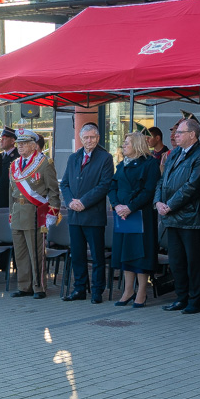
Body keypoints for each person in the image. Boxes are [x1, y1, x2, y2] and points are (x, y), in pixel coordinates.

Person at [154, 118, 200, 314]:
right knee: (176, 261)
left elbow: (192, 187)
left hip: (190, 218)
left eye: (179, 132)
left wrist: (169, 205)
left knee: (192, 262)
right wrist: (158, 202)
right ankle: (181, 298)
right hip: (171, 216)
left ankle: (195, 301)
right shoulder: (174, 153)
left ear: (192, 135)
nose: (174, 135)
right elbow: (162, 180)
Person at [59, 122, 114, 303]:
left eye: (92, 137)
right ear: (81, 139)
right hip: (74, 215)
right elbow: (64, 183)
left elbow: (104, 185)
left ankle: (97, 291)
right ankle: (79, 289)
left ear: (98, 138)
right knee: (77, 254)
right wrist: (69, 202)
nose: (89, 140)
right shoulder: (74, 157)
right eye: (85, 138)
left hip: (93, 215)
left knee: (98, 256)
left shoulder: (105, 158)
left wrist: (83, 202)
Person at [108, 132, 160, 308]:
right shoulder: (122, 164)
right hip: (122, 215)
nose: (123, 145)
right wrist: (116, 205)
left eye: (127, 142)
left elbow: (149, 190)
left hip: (140, 215)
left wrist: (130, 207)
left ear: (137, 144)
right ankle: (128, 290)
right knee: (126, 253)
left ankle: (142, 291)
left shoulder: (150, 163)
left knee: (140, 254)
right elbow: (113, 186)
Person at [9, 128, 61, 299]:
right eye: (18, 144)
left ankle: (39, 287)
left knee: (36, 253)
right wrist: (11, 213)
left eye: (24, 144)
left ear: (33, 145)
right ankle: (24, 286)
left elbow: (53, 191)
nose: (20, 147)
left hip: (34, 213)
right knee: (21, 253)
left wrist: (52, 213)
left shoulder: (44, 163)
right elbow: (11, 193)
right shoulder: (14, 165)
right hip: (17, 212)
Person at [0, 127, 19, 208]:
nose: (1, 141)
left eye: (4, 139)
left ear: (13, 141)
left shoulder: (18, 156)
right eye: (0, 139)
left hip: (10, 197)